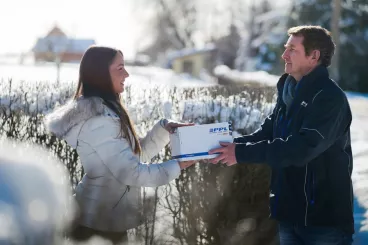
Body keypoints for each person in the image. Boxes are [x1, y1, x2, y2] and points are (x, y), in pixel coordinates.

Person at [209, 26, 354, 244]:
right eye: (286, 48)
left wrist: (240, 153)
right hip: (288, 214)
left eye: (292, 49)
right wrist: (219, 145)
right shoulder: (288, 91)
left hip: (324, 222)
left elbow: (301, 148)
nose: (284, 54)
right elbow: (267, 133)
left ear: (313, 56)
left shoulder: (329, 98)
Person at [44, 45, 196, 244]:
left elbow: (134, 158)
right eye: (120, 68)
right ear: (100, 73)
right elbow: (132, 173)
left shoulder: (108, 111)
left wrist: (164, 129)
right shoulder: (98, 121)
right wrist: (178, 165)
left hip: (106, 221)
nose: (127, 73)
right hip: (95, 225)